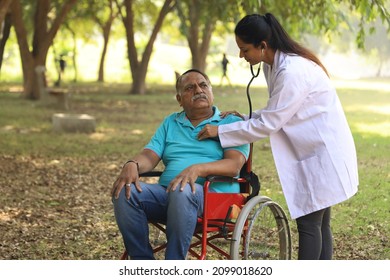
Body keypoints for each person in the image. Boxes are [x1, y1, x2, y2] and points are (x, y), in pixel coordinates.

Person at [198, 13, 359, 260]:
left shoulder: (292, 71)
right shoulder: (273, 66)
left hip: (323, 154)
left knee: (309, 225)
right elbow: (280, 110)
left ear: (263, 46)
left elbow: (270, 123)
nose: (241, 56)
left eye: (244, 49)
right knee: (319, 224)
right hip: (315, 150)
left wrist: (220, 130)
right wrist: (245, 118)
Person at [112, 69, 249, 260]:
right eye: (190, 88)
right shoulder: (171, 122)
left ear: (211, 91)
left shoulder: (230, 122)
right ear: (179, 99)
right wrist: (132, 164)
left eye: (203, 85)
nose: (198, 90)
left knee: (183, 189)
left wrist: (198, 169)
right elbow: (150, 155)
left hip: (213, 199)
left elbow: (234, 165)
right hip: (169, 194)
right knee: (125, 192)